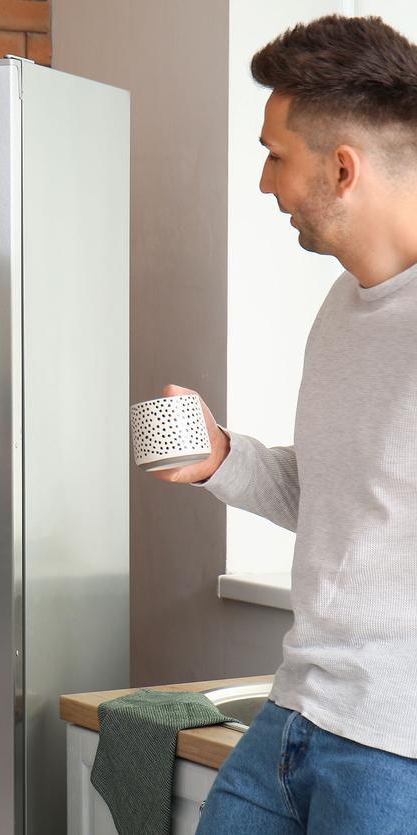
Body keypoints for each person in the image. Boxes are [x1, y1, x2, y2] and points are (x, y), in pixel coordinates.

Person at [150, 15, 417, 834]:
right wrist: (220, 456)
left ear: (342, 169)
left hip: (394, 751)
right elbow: (337, 492)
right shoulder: (344, 307)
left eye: (275, 156)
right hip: (296, 713)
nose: (264, 184)